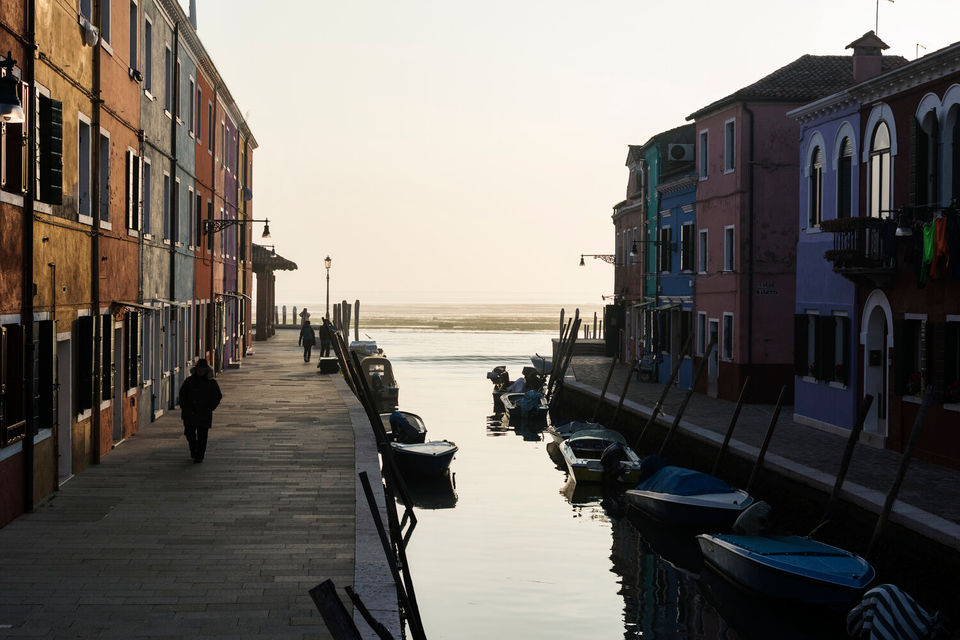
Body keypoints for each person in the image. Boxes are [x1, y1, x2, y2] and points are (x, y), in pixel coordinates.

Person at [178, 358, 222, 463]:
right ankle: (194, 450)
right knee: (189, 434)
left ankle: (200, 455)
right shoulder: (189, 381)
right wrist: (184, 407)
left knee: (202, 436)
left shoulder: (211, 383)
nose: (200, 371)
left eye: (203, 369)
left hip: (204, 413)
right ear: (196, 369)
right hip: (190, 413)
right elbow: (182, 395)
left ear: (206, 370)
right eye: (199, 369)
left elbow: (217, 396)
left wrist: (210, 408)